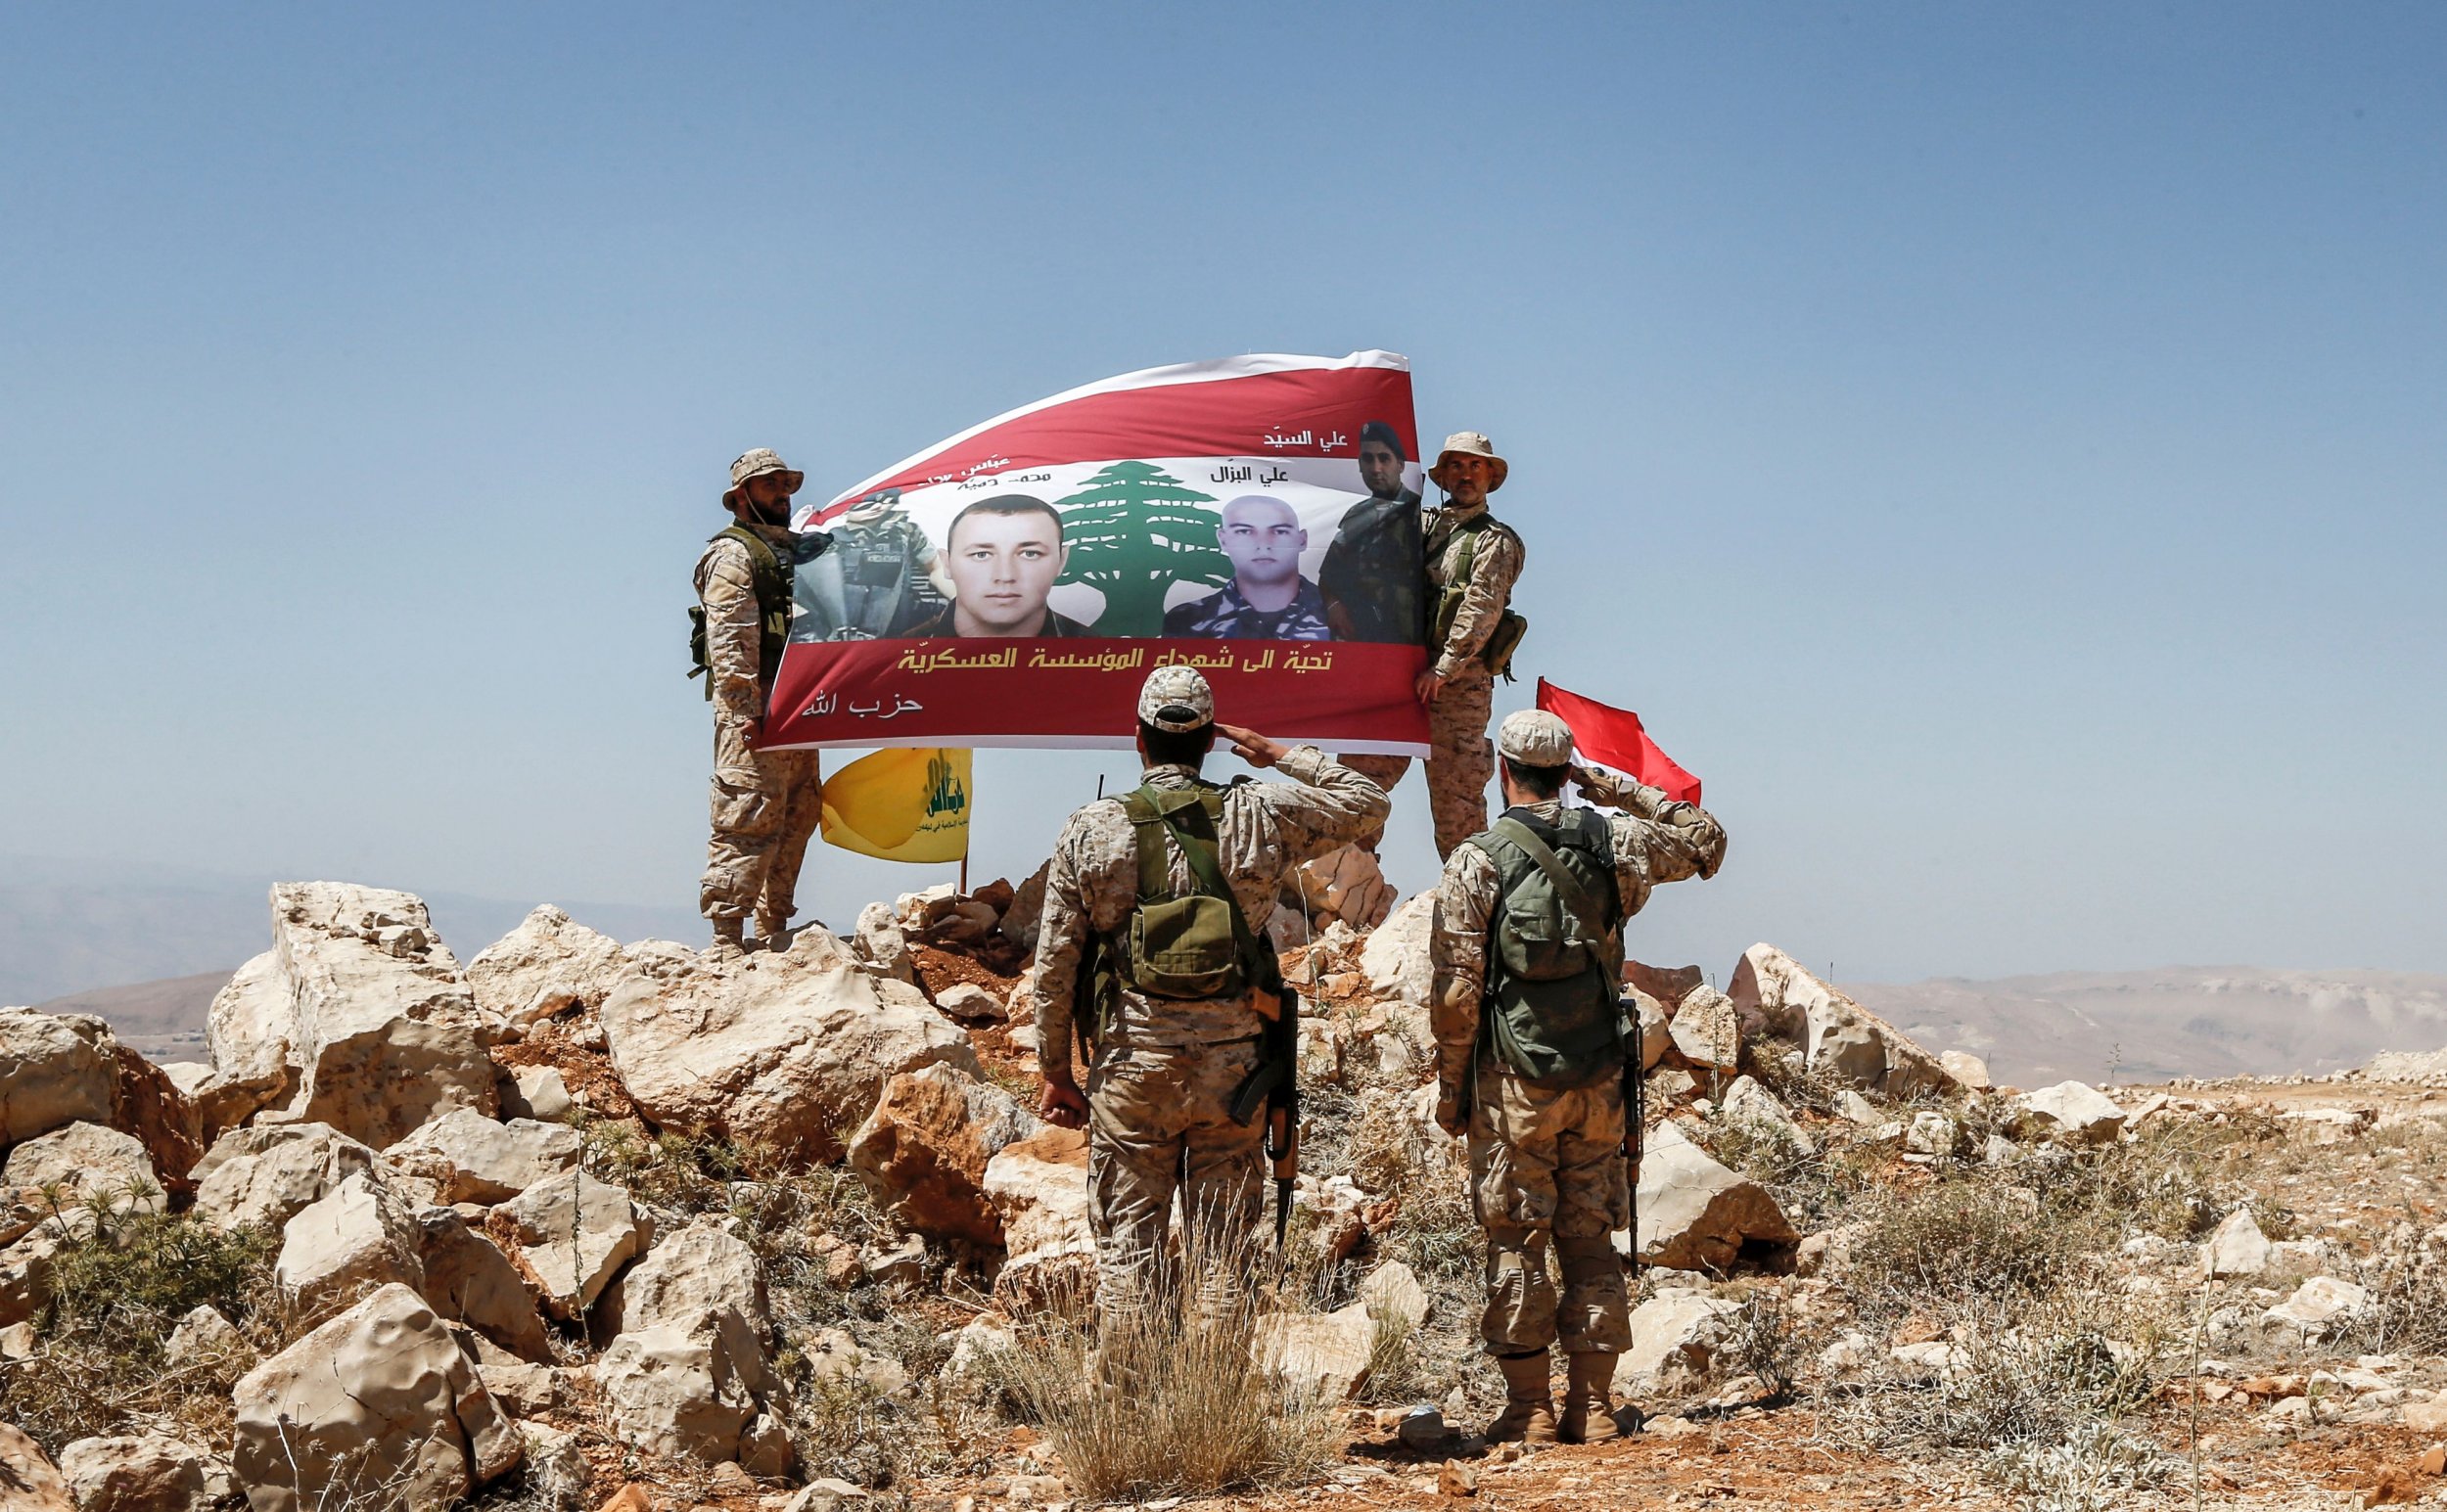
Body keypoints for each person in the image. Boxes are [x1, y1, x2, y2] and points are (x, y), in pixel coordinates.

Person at [1026, 666, 1390, 1312]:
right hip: (1236, 1074)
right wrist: (1280, 753)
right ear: (1209, 743)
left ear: (1138, 740)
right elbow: (1369, 800)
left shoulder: (1093, 828)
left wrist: (1056, 1068)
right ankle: (1218, 1397)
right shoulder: (1261, 811)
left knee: (1129, 1256)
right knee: (1223, 1257)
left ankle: (1133, 1408)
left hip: (1134, 1067)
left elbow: (1056, 961)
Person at [1430, 710, 1727, 1444]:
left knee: (1515, 1235)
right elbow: (1705, 841)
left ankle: (1528, 1406)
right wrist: (1616, 789)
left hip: (1512, 1081)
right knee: (1589, 1235)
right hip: (1597, 1076)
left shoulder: (1479, 859)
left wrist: (1451, 1088)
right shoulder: (1617, 842)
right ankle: (1591, 1407)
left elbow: (1457, 992)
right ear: (1568, 771)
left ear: (1503, 770)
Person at [1342, 430, 1525, 858]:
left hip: (1457, 689)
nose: (1466, 475)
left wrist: (1444, 669)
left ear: (1489, 476)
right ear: (1442, 476)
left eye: (1475, 466)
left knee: (1457, 805)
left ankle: (1473, 902)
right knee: (1358, 783)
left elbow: (1481, 608)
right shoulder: (1416, 526)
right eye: (1457, 466)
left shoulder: (1494, 541)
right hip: (1398, 677)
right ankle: (1342, 887)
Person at [692, 448, 826, 959]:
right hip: (756, 710)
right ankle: (726, 937)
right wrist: (747, 710)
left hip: (799, 709)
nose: (782, 494)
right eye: (770, 485)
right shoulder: (732, 554)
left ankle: (775, 926)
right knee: (746, 817)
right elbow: (729, 639)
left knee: (798, 813)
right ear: (742, 497)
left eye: (785, 484)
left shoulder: (795, 551)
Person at [904, 494, 1091, 637]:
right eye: (981, 555)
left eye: (1030, 554)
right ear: (947, 563)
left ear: (1061, 561)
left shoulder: (1101, 653)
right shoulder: (897, 652)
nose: (1005, 575)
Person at [1161, 494, 1333, 640]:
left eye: (1280, 531)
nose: (1263, 544)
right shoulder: (1187, 620)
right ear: (1223, 539)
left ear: (1302, 540)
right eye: (1244, 531)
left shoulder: (1340, 616)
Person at [1317, 420, 1424, 644]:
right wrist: (1334, 607)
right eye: (1368, 459)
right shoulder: (1356, 516)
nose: (1376, 469)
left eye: (1384, 458)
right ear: (1359, 464)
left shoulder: (1420, 515)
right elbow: (1328, 575)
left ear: (1401, 465)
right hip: (1361, 640)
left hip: (1406, 642)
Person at [791, 487, 944, 641]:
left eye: (887, 502)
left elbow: (938, 570)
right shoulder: (825, 540)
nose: (878, 507)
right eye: (866, 504)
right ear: (845, 512)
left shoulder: (905, 534)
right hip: (831, 633)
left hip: (896, 626)